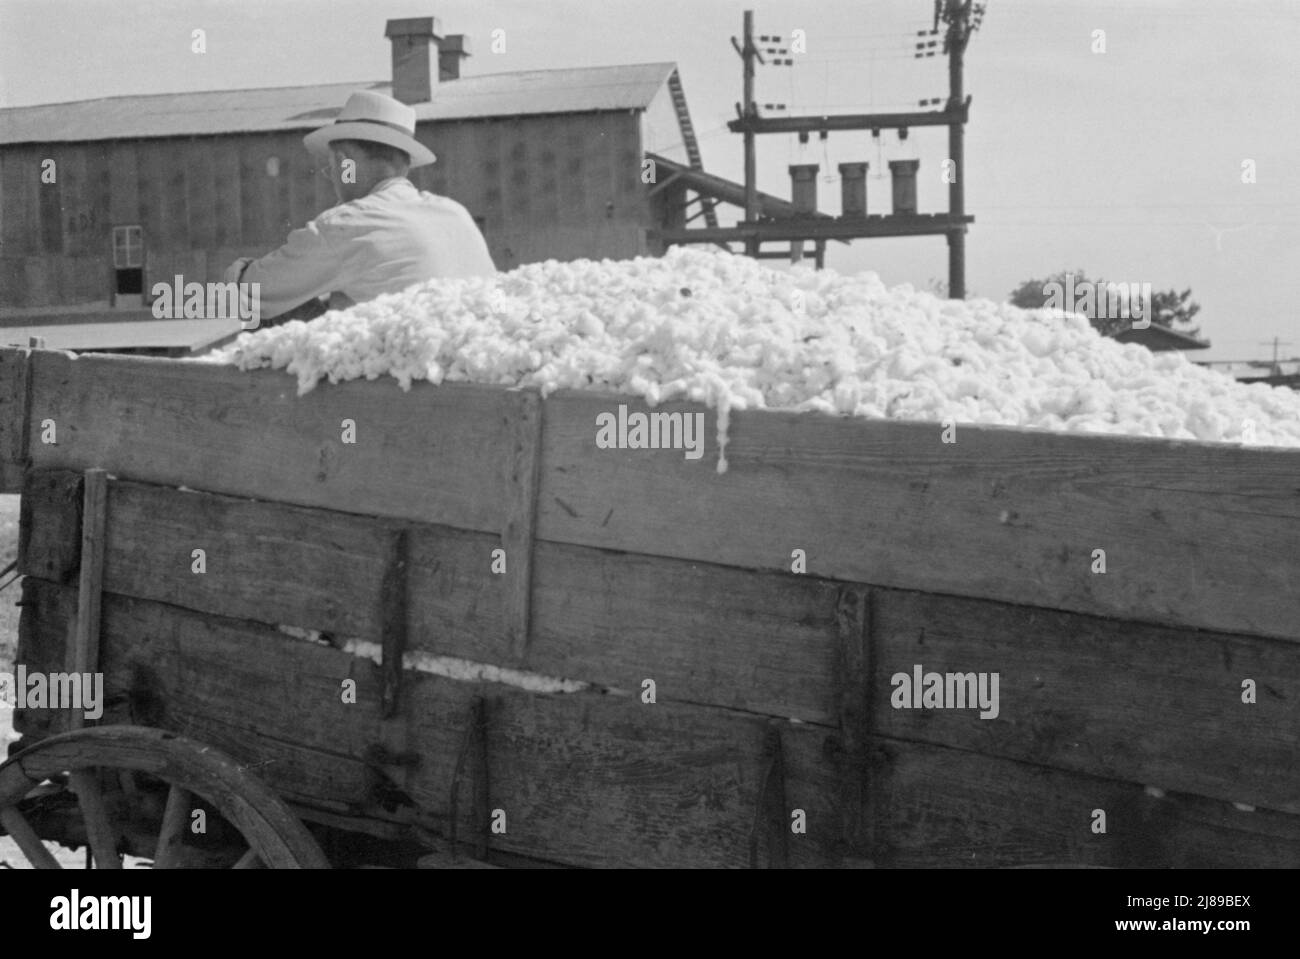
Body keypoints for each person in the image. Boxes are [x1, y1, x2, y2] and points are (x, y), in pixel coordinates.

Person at [224, 90, 495, 327]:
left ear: (346, 165)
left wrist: (239, 272)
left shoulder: (347, 224)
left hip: (407, 378)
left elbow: (249, 291)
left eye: (332, 169)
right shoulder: (454, 212)